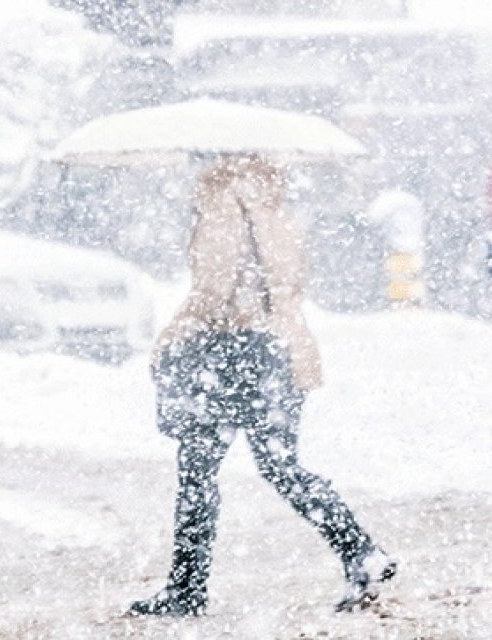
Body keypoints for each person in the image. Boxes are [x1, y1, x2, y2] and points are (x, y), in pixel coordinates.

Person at [129, 155, 394, 617]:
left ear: (215, 160)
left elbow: (214, 291)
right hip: (281, 348)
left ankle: (186, 589)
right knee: (281, 465)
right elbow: (282, 284)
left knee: (197, 470)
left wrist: (172, 333)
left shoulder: (222, 205)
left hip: (230, 351)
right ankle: (360, 551)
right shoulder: (273, 207)